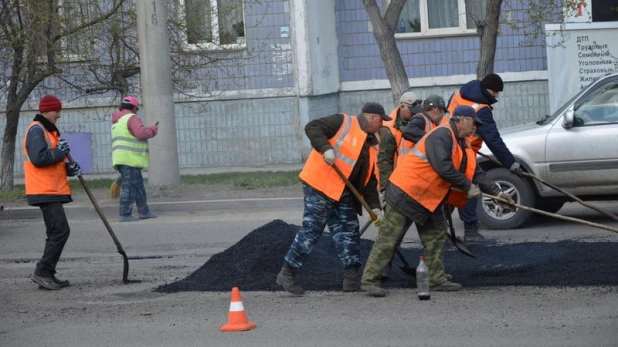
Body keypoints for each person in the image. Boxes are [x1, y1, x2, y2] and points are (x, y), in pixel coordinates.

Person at [361, 106, 514, 297]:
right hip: (406, 192)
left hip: (428, 197)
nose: (476, 127)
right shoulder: (442, 135)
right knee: (389, 238)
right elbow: (443, 167)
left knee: (436, 236)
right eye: (474, 122)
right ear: (461, 120)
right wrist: (467, 186)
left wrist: (498, 193)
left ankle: (435, 278)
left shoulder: (463, 142)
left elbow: (476, 172)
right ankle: (370, 280)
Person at [276, 102, 389, 295]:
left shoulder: (371, 144)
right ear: (372, 117)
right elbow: (312, 127)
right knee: (312, 230)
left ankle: (351, 280)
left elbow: (369, 181)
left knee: (349, 231)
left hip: (342, 191)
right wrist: (325, 148)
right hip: (320, 185)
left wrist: (375, 208)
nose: (382, 125)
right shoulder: (342, 122)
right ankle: (287, 273)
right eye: (381, 120)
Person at [447, 73, 523, 246]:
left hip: (450, 146)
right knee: (469, 190)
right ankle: (471, 233)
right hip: (464, 152)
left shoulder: (458, 93)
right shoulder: (481, 109)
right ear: (486, 89)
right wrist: (511, 163)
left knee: (452, 191)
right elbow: (493, 140)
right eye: (495, 91)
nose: (496, 95)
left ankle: (440, 231)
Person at [25, 95, 82, 290]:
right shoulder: (36, 130)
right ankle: (42, 272)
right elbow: (39, 159)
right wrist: (59, 152)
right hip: (44, 189)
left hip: (50, 188)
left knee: (56, 232)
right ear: (46, 111)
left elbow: (51, 163)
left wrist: (68, 169)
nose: (59, 114)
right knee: (60, 231)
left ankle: (47, 273)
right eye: (56, 111)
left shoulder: (48, 131)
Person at [111, 96, 158, 222]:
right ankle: (124, 213)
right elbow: (141, 134)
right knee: (129, 187)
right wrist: (152, 130)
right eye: (136, 109)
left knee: (138, 186)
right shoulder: (132, 118)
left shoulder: (117, 121)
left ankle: (144, 211)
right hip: (130, 158)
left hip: (122, 158)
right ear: (133, 108)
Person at [376, 91, 422, 192]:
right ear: (402, 107)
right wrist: (386, 189)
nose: (415, 114)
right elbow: (384, 160)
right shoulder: (388, 129)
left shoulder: (415, 119)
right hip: (395, 180)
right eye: (412, 111)